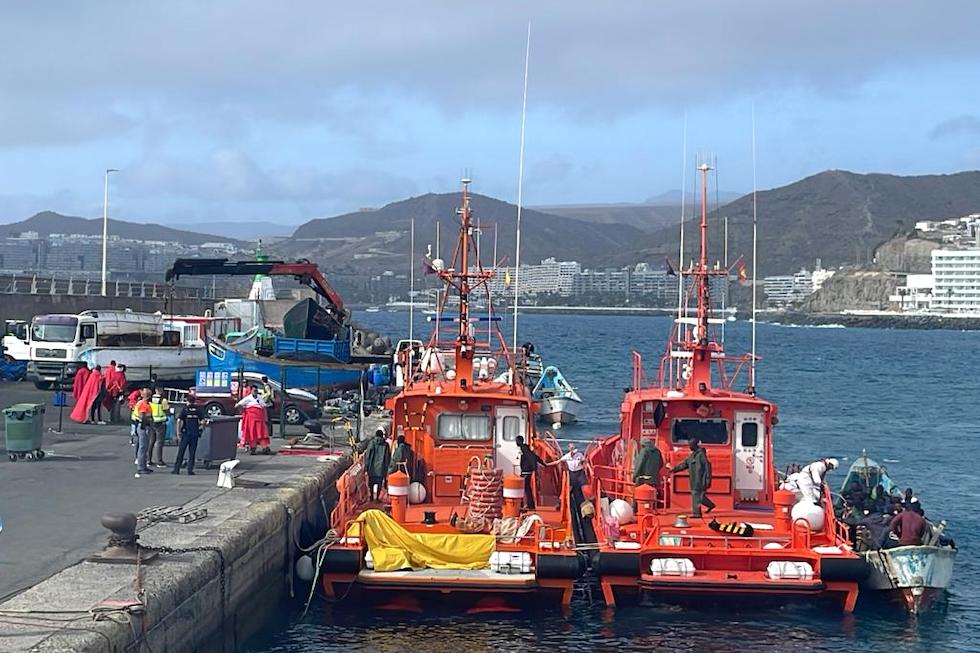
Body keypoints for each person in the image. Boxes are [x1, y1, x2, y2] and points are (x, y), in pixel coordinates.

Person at [668, 437, 715, 517]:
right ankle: (711, 505)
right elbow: (684, 464)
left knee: (696, 495)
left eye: (690, 445)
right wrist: (674, 470)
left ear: (694, 445)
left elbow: (708, 468)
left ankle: (696, 513)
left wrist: (708, 480)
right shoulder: (692, 455)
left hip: (700, 479)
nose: (689, 446)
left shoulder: (701, 455)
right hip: (693, 479)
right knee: (700, 496)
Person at [236, 385, 271, 455]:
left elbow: (264, 406)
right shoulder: (247, 398)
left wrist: (265, 417)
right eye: (254, 391)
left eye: (256, 391)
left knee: (262, 433)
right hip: (251, 419)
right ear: (251, 391)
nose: (255, 392)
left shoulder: (260, 398)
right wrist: (243, 410)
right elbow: (237, 405)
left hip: (260, 418)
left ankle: (265, 447)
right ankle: (253, 448)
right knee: (252, 433)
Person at [172, 396, 203, 475]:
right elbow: (203, 421)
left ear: (187, 401)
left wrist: (178, 432)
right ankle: (190, 470)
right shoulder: (198, 410)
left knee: (181, 451)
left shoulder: (185, 410)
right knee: (192, 452)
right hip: (195, 434)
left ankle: (176, 469)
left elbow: (179, 421)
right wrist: (200, 428)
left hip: (186, 433)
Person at [516, 435, 544, 510]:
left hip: (526, 471)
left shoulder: (523, 448)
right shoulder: (525, 447)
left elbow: (531, 457)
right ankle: (529, 504)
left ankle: (527, 504)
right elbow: (534, 456)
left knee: (525, 488)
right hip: (527, 471)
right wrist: (542, 462)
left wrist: (534, 468)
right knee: (527, 487)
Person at [132, 388, 155, 478]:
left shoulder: (144, 403)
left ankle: (143, 466)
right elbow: (142, 416)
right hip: (144, 426)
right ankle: (141, 467)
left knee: (144, 447)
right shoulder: (143, 404)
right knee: (143, 447)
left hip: (144, 426)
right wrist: (148, 421)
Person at [363, 428, 391, 501]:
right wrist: (387, 468)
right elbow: (387, 457)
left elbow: (368, 455)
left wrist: (366, 466)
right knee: (379, 483)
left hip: (372, 468)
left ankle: (371, 496)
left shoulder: (371, 443)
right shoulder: (386, 445)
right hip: (381, 469)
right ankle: (377, 498)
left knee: (371, 483)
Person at [148, 387, 170, 468]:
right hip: (160, 422)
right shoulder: (163, 400)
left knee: (151, 441)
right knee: (160, 442)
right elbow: (166, 411)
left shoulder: (150, 399)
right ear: (161, 390)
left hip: (152, 421)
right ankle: (159, 461)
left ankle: (148, 460)